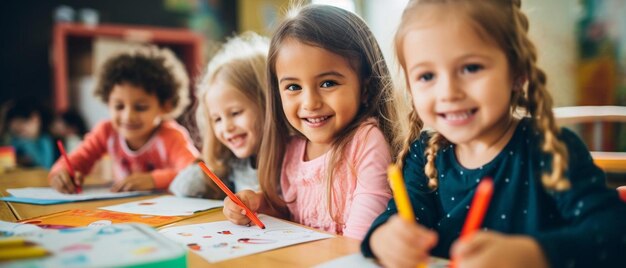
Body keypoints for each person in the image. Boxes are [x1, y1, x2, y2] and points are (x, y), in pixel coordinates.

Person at [361, 0, 626, 267]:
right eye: (427, 76)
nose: (448, 92)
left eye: (471, 68)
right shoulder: (424, 154)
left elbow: (612, 234)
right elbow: (401, 216)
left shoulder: (551, 149)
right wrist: (383, 238)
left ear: (518, 72)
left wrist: (534, 255)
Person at [222, 4, 401, 240]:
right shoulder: (294, 147)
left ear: (365, 87)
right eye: (294, 87)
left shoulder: (366, 141)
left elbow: (360, 238)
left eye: (328, 83)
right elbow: (290, 213)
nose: (310, 102)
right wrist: (257, 204)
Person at [48, 46, 199, 193]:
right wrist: (61, 173)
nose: (128, 116)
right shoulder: (106, 132)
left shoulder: (171, 136)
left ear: (165, 106)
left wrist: (153, 180)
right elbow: (78, 159)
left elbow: (194, 173)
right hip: (121, 211)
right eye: (119, 106)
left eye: (140, 107)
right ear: (108, 102)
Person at [169, 32, 269, 199]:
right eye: (217, 119)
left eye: (235, 113)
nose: (227, 127)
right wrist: (210, 161)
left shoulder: (292, 160)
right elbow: (181, 188)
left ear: (269, 104)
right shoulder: (233, 162)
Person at [0, 98, 55, 169]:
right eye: (17, 132)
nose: (21, 135)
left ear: (35, 119)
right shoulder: (15, 140)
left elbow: (45, 166)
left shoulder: (45, 141)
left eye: (22, 130)